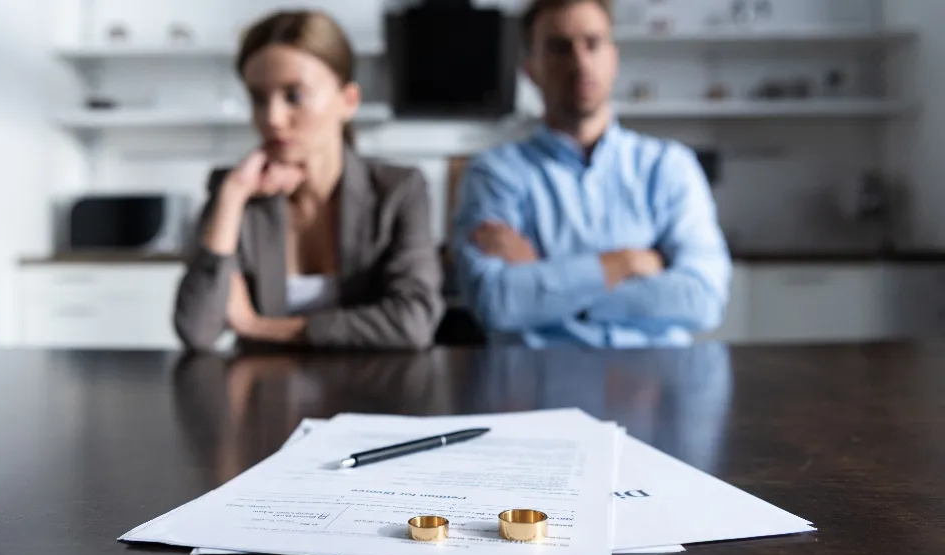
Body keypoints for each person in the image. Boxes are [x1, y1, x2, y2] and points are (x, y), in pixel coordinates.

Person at [451, 0, 731, 348]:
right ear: (530, 70)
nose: (580, 62)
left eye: (593, 44)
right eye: (559, 48)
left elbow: (703, 299)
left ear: (613, 58)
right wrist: (624, 263)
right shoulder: (494, 173)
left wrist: (549, 281)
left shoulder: (669, 166)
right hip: (538, 385)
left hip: (657, 384)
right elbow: (497, 302)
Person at [174, 10, 444, 351]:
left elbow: (414, 322)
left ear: (348, 101)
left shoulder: (398, 190)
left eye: (294, 96)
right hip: (266, 397)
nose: (272, 118)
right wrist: (232, 196)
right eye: (258, 98)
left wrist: (258, 327)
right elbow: (196, 330)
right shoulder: (236, 191)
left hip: (369, 393)